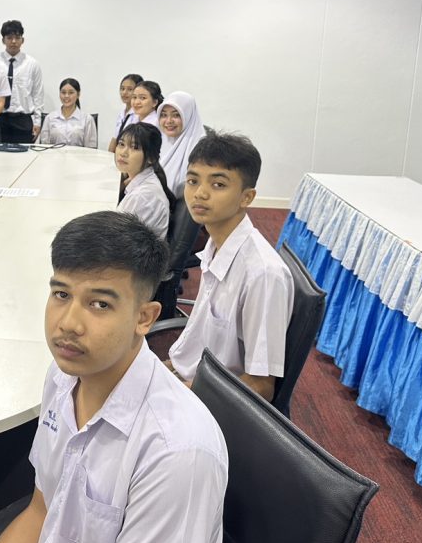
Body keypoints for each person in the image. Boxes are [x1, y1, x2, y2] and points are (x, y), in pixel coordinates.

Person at [0, 212, 227, 543]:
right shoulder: (63, 377)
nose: (68, 323)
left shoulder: (174, 453)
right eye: (61, 294)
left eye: (99, 304)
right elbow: (42, 512)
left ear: (144, 318)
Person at [167, 131, 294, 400]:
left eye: (218, 184)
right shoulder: (214, 247)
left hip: (207, 401)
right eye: (193, 181)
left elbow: (260, 386)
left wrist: (177, 397)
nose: (199, 193)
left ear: (247, 197)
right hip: (189, 378)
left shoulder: (262, 274)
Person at [114, 122, 174, 240]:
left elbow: (115, 239)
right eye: (121, 144)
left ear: (151, 158)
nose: (123, 153)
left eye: (134, 147)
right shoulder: (143, 180)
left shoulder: (142, 196)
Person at [0, 19, 44, 143]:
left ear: (23, 40)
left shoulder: (32, 64)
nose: (13, 41)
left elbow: (38, 95)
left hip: (23, 120)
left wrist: (37, 122)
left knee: (24, 154)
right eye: (9, 38)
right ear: (3, 40)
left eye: (17, 38)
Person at [158, 91, 206, 196]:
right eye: (164, 115)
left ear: (188, 116)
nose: (168, 121)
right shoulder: (158, 142)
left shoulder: (202, 149)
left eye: (176, 115)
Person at [37, 78, 98, 148]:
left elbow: (91, 148)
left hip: (78, 155)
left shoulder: (87, 119)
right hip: (54, 155)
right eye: (63, 92)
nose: (66, 96)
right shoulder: (50, 118)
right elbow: (44, 146)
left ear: (78, 94)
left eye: (71, 93)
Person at [107, 72, 143, 152]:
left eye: (130, 89)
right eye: (122, 89)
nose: (124, 92)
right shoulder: (122, 113)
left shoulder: (140, 114)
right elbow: (115, 138)